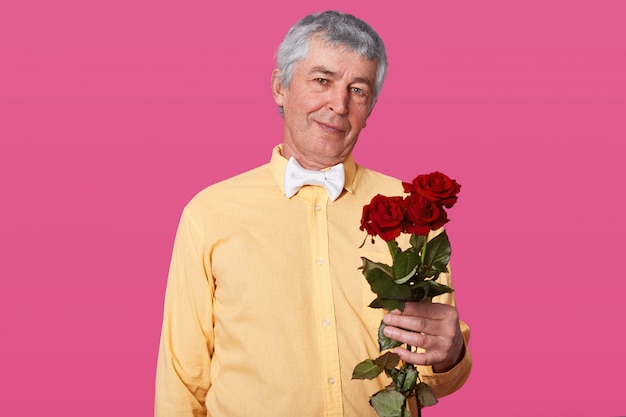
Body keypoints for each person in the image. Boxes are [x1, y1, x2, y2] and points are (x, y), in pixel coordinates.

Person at [155, 10, 471, 417]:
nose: (338, 105)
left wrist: (451, 353)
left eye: (357, 89)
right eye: (322, 80)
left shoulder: (412, 208)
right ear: (279, 87)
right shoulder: (209, 213)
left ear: (371, 106)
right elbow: (182, 380)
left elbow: (436, 372)